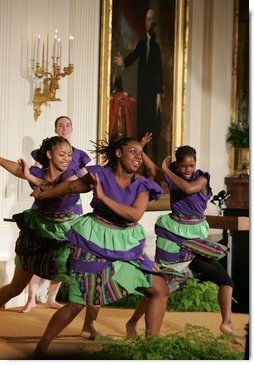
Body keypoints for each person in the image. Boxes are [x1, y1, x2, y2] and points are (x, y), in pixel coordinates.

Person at [32, 136, 169, 357]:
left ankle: (151, 350)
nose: (138, 157)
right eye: (132, 151)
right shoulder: (100, 175)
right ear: (118, 153)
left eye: (140, 153)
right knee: (77, 303)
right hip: (94, 238)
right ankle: (42, 347)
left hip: (126, 243)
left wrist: (103, 197)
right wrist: (44, 192)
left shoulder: (142, 185)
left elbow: (134, 214)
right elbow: (70, 186)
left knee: (160, 288)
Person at [125, 145, 241, 345]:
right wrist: (142, 151)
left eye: (191, 165)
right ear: (178, 165)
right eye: (184, 166)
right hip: (172, 235)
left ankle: (226, 322)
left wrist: (167, 169)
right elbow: (154, 170)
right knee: (162, 286)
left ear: (196, 164)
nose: (188, 169)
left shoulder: (202, 178)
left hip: (195, 238)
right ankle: (132, 323)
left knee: (226, 281)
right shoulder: (173, 175)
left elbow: (189, 189)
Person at [0, 136, 81, 310]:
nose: (67, 158)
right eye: (62, 154)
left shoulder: (71, 177)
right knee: (15, 288)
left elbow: (57, 190)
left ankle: (89, 324)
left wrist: (32, 178)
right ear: (49, 154)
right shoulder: (38, 173)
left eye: (69, 154)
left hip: (62, 237)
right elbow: (17, 169)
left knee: (82, 286)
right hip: (36, 232)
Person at [22, 116, 91, 313]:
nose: (64, 128)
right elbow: (38, 175)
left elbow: (82, 179)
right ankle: (31, 298)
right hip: (46, 208)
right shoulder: (45, 155)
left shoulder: (78, 155)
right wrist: (31, 179)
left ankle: (51, 297)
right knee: (38, 254)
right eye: (60, 125)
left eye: (68, 124)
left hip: (68, 205)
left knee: (62, 257)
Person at [114, 9, 163, 165]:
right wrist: (124, 62)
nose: (148, 22)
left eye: (151, 20)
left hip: (152, 94)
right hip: (141, 93)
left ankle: (154, 164)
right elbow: (133, 57)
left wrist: (159, 95)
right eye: (146, 19)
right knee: (141, 127)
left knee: (153, 128)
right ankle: (141, 164)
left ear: (154, 23)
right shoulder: (142, 44)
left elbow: (159, 72)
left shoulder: (155, 47)